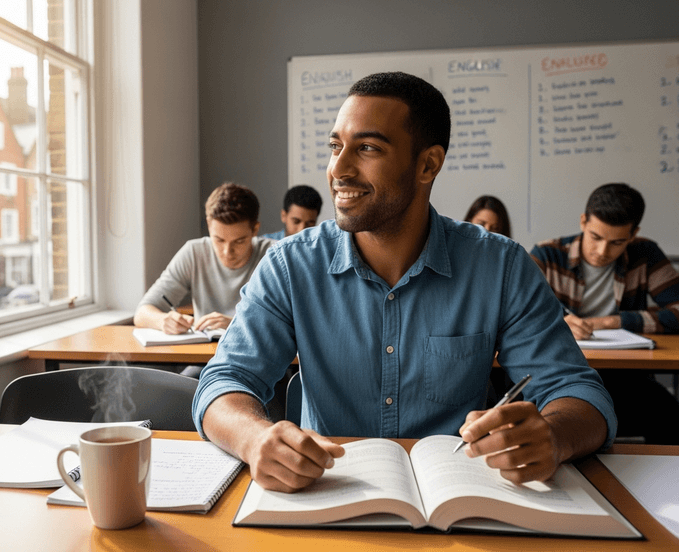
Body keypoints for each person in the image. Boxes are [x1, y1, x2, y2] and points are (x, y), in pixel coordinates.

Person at [193, 71, 615, 493]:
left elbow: (577, 392)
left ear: (428, 164)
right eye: (335, 147)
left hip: (460, 499)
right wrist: (254, 439)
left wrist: (553, 438)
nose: (338, 169)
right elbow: (223, 382)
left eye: (368, 148)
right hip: (325, 495)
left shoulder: (500, 266)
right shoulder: (290, 266)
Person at [530, 183, 679, 443]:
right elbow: (513, 312)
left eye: (617, 242)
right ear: (583, 221)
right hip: (558, 372)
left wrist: (615, 322)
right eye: (595, 237)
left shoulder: (645, 254)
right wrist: (558, 321)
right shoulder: (547, 254)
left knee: (670, 416)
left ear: (633, 235)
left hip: (624, 375)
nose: (602, 252)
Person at [134, 183, 274, 334]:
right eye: (219, 240)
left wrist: (237, 324)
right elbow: (142, 313)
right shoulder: (194, 253)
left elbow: (294, 324)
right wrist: (163, 321)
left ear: (255, 229)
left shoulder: (275, 257)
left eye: (239, 241)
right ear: (209, 225)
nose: (227, 252)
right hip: (203, 354)